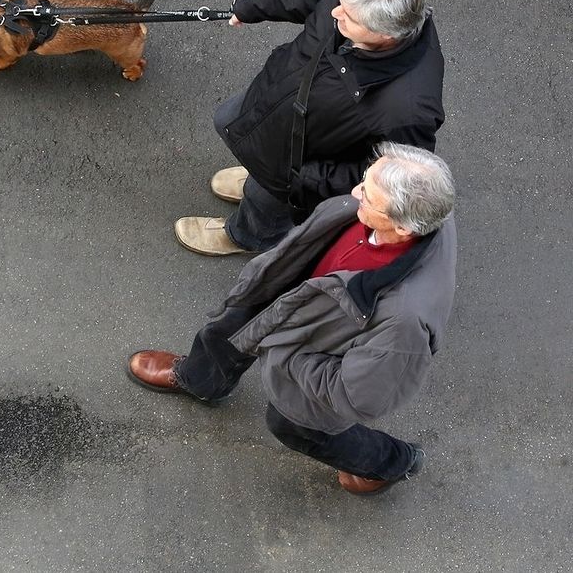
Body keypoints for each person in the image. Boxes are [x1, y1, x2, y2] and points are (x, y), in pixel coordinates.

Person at [130, 143, 456, 495]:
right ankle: (200, 380)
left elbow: (361, 397)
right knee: (231, 326)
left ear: (403, 227)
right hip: (300, 294)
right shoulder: (426, 206)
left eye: (368, 196)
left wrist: (291, 360)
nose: (355, 192)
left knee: (290, 424)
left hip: (312, 349)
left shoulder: (404, 322)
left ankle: (391, 463)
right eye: (365, 179)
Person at [175, 0, 445, 256]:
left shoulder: (409, 109)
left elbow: (392, 176)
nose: (335, 13)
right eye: (341, 1)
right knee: (234, 127)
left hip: (299, 167)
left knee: (266, 206)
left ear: (383, 34)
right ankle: (256, 178)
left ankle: (246, 236)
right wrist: (251, 5)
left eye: (349, 17)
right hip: (275, 103)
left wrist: (308, 180)